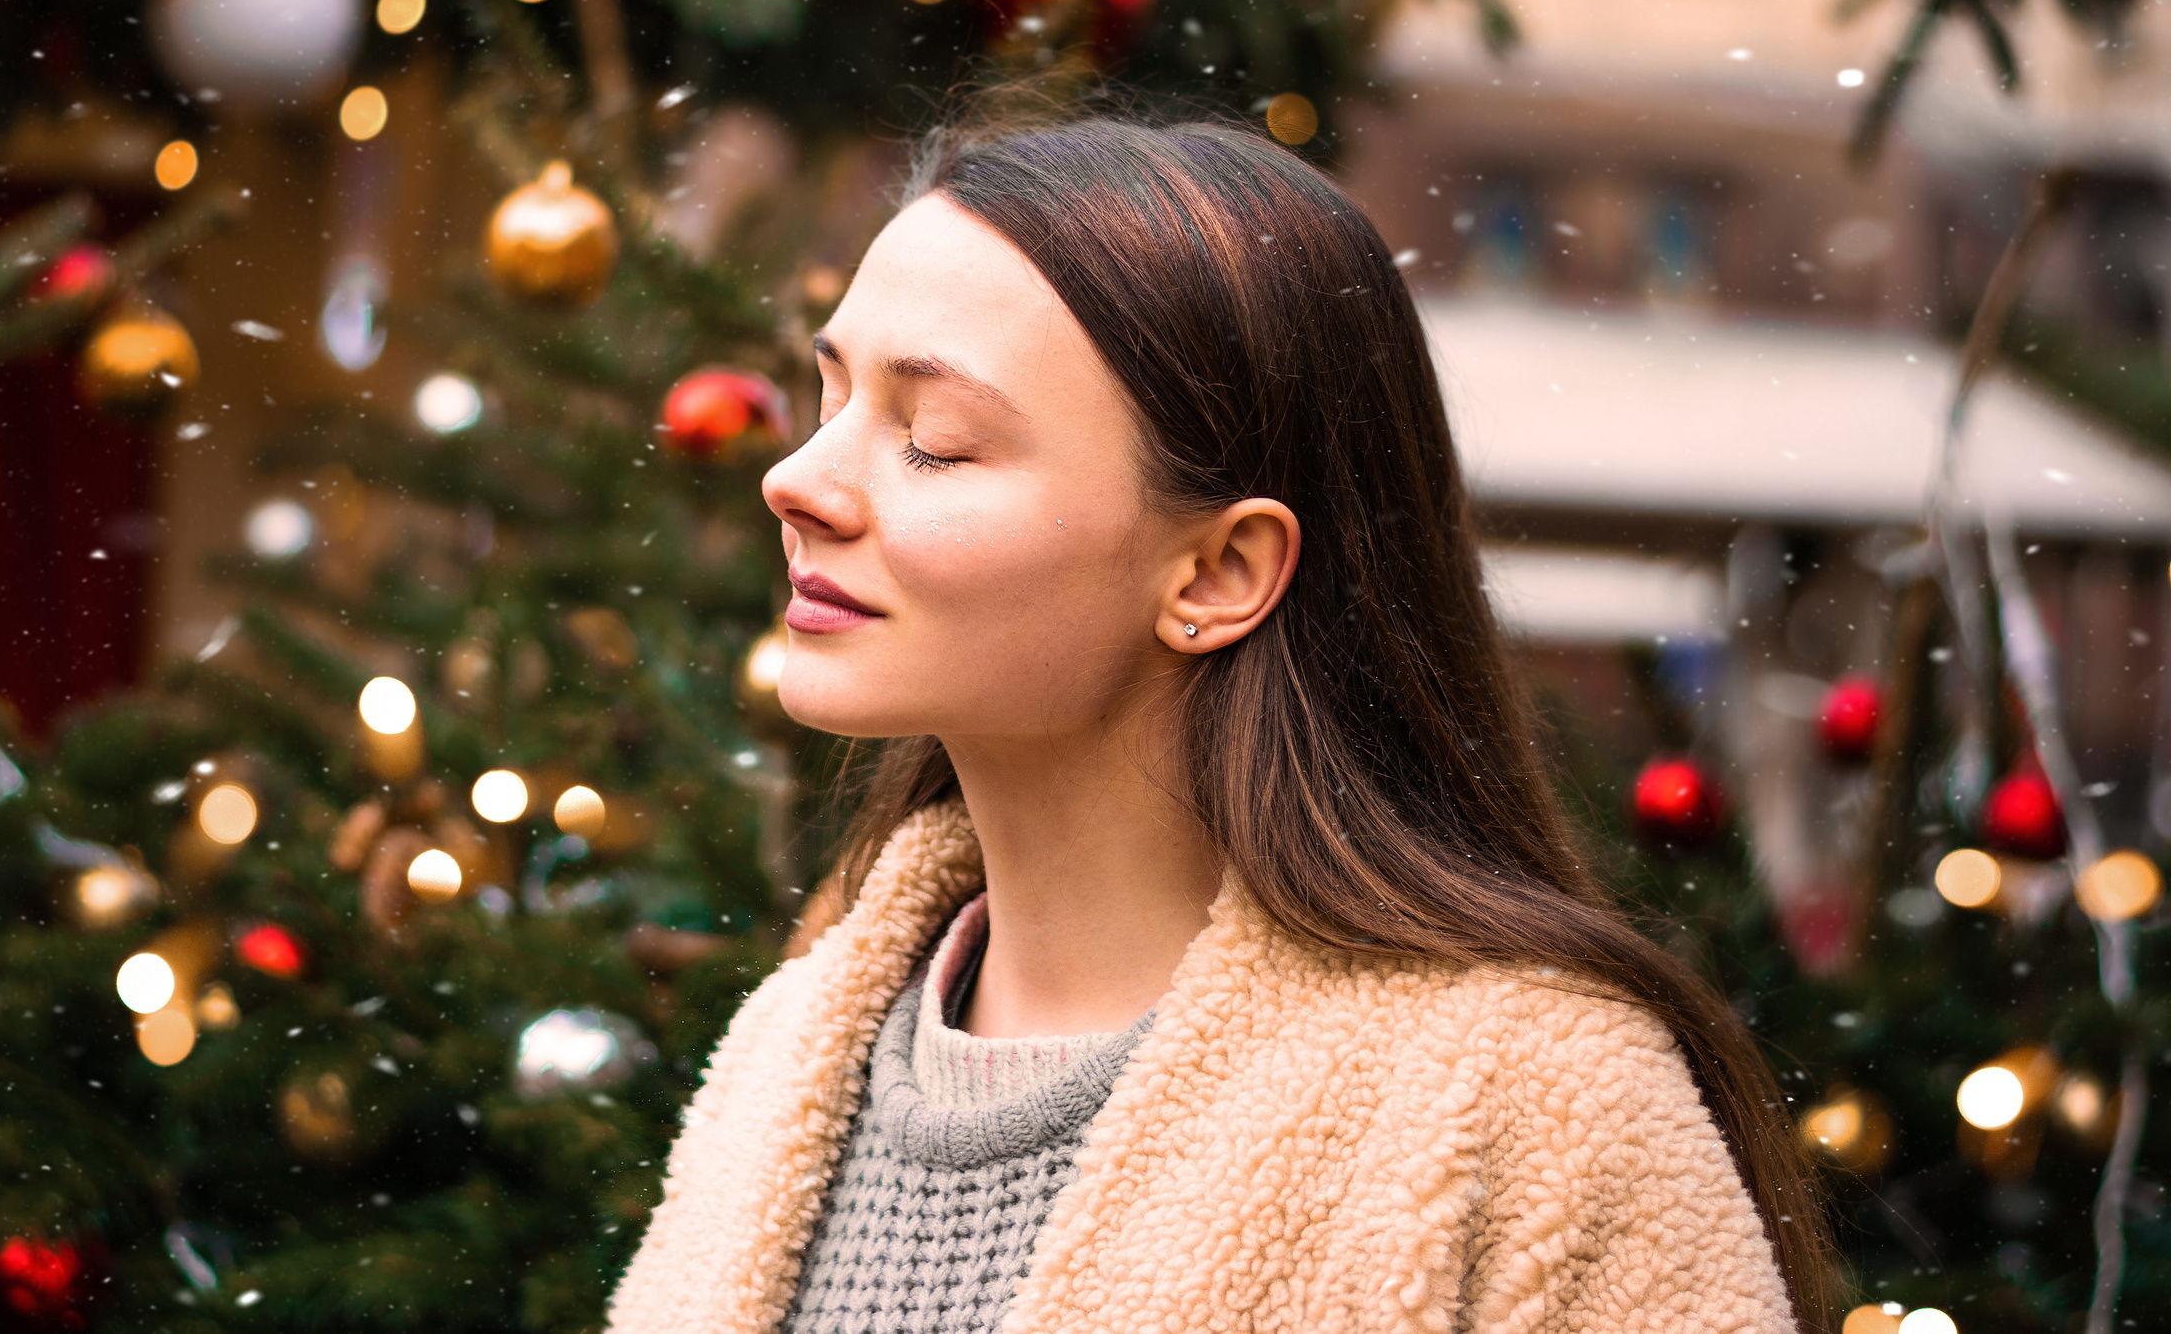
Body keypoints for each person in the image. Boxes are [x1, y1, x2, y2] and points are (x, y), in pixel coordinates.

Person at [606, 115, 1824, 1334]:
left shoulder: (1535, 1108)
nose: (798, 478)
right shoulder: (784, 1057)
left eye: (934, 441)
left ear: (1218, 571)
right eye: (828, 398)